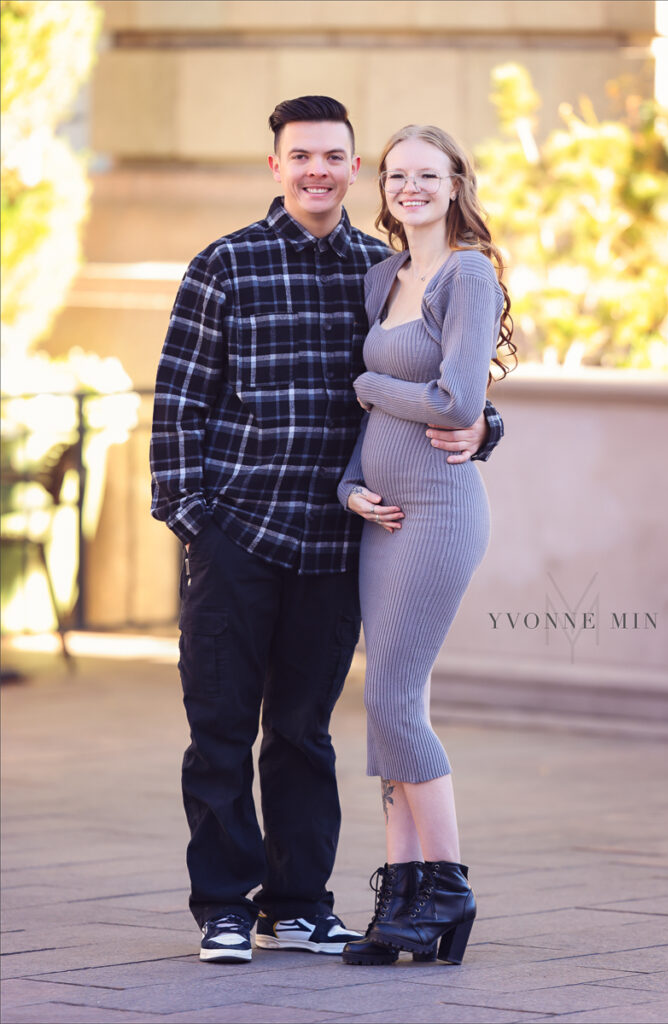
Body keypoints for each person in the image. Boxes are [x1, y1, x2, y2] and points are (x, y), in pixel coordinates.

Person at [150, 96, 504, 965]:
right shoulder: (224, 266)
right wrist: (193, 522)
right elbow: (175, 406)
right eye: (299, 155)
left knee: (306, 732)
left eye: (334, 156)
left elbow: (444, 373)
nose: (316, 169)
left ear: (354, 171)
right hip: (237, 532)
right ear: (276, 166)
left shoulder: (377, 269)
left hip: (338, 540)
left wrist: (486, 428)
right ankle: (226, 906)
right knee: (223, 728)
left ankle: (299, 903)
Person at [338, 125, 516, 967]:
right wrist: (348, 486)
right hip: (384, 517)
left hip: (440, 511)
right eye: (396, 174)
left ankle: (445, 884)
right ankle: (403, 893)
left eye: (426, 174)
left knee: (397, 702)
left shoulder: (466, 273)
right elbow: (364, 421)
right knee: (385, 705)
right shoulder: (385, 274)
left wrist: (372, 387)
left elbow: (454, 401)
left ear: (454, 185)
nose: (409, 187)